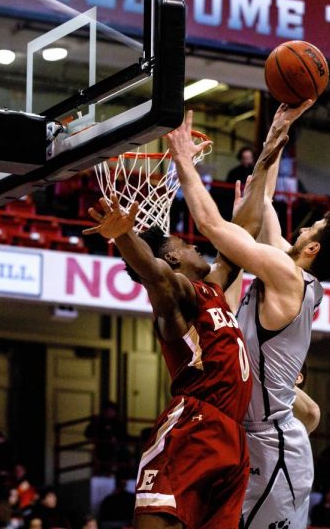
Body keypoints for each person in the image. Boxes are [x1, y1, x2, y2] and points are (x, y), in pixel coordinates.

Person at [82, 112, 294, 528]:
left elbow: (243, 232)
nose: (195, 245)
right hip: (195, 424)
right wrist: (124, 235)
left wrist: (267, 156)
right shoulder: (179, 295)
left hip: (232, 437)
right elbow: (154, 274)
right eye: (184, 242)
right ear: (175, 257)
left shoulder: (214, 286)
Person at [167, 104, 330, 529]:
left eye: (311, 230)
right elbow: (266, 200)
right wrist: (277, 132)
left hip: (272, 446)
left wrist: (183, 161)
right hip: (250, 434)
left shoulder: (289, 277)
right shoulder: (289, 273)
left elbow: (213, 226)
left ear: (312, 250)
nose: (302, 229)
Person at [83, 401, 128, 475]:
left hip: (114, 449)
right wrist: (98, 438)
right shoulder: (98, 422)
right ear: (104, 411)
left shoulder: (117, 423)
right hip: (101, 448)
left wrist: (116, 439)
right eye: (108, 411)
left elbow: (123, 435)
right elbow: (87, 433)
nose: (110, 413)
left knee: (122, 455)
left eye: (112, 411)